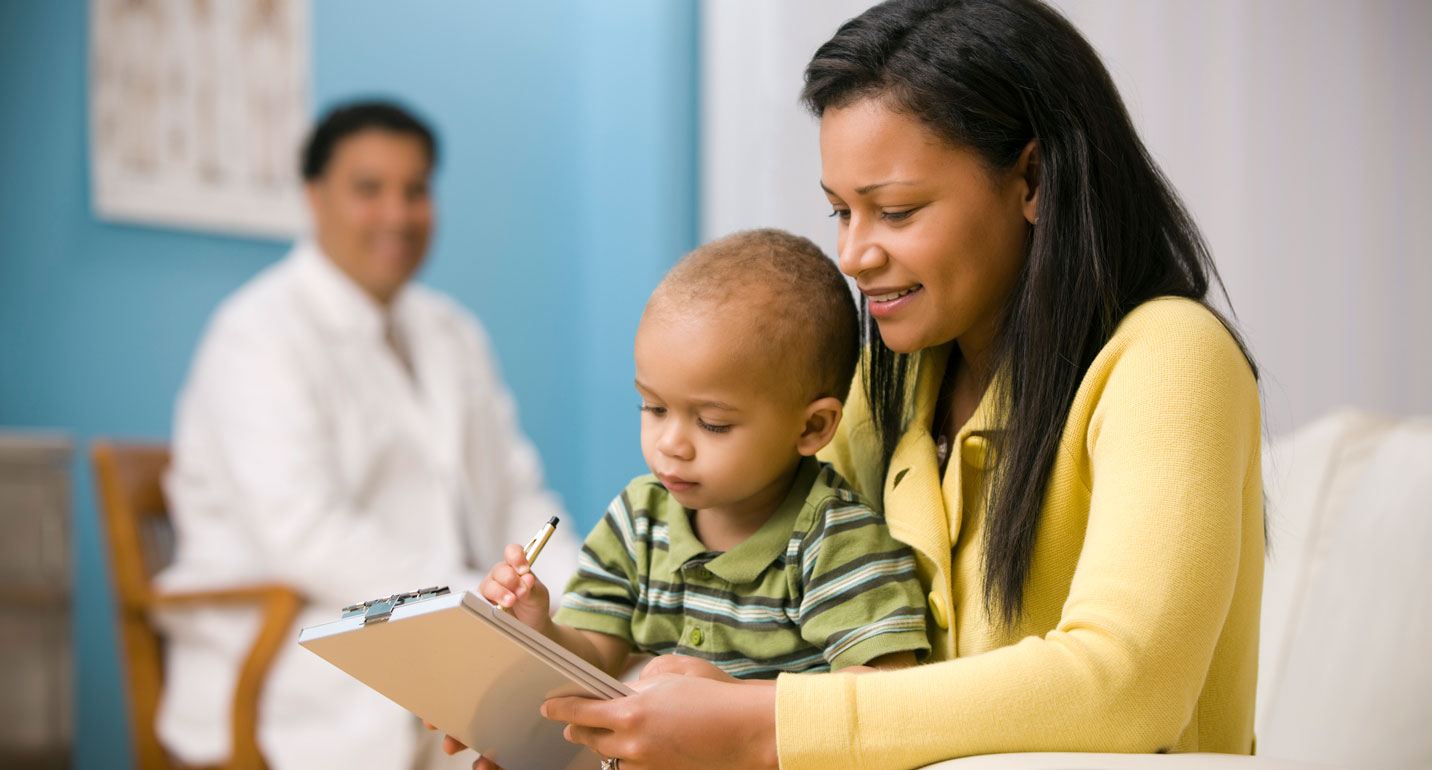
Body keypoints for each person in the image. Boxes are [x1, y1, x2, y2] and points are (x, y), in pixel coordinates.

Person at [529, 2, 1266, 769]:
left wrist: (759, 721)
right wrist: (591, 723)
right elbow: (793, 634)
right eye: (840, 211)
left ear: (1034, 179)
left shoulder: (1169, 357)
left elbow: (1127, 684)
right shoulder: (884, 387)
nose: (851, 254)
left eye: (897, 211)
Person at [156, 101, 577, 770]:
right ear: (314, 197)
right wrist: (473, 602)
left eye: (416, 190)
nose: (398, 214)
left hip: (447, 623)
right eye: (369, 189)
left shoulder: (453, 334)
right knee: (548, 728)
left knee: (630, 686)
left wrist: (588, 603)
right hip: (299, 648)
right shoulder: (256, 336)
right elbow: (304, 532)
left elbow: (516, 498)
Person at [479, 229, 930, 685]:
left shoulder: (836, 541)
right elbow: (595, 657)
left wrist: (729, 707)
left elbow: (882, 695)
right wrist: (541, 629)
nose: (671, 444)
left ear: (812, 428)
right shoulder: (637, 521)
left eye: (712, 423)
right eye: (654, 408)